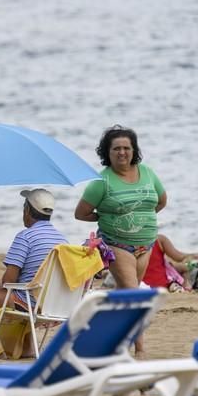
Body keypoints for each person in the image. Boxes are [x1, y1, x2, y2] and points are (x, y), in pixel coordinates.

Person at [74, 124, 167, 358]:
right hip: (117, 244)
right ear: (108, 152)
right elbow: (81, 213)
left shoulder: (147, 173)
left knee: (124, 296)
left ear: (134, 150)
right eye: (116, 149)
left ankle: (110, 335)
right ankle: (140, 348)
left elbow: (161, 201)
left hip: (146, 244)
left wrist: (140, 218)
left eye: (127, 147)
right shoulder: (101, 181)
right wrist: (110, 216)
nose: (122, 152)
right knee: (133, 293)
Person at [0, 188, 68, 356]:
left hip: (30, 303)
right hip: (53, 305)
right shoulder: (62, 240)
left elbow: (8, 280)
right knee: (13, 293)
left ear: (27, 210)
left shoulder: (25, 237)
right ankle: (27, 350)